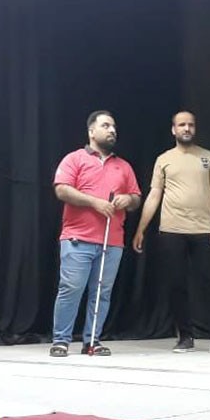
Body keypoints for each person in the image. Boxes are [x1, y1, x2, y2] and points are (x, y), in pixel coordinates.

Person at [132, 111, 210, 354]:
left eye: (190, 125)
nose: (187, 128)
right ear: (173, 129)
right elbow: (154, 195)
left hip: (203, 229)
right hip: (172, 229)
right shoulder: (164, 159)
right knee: (176, 284)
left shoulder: (207, 157)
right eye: (182, 124)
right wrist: (141, 229)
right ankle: (185, 337)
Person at [49, 110, 141, 357]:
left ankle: (92, 340)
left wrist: (127, 199)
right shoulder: (74, 159)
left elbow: (136, 198)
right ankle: (61, 340)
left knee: (102, 292)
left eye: (114, 127)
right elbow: (62, 190)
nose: (112, 130)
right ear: (91, 131)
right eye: (106, 125)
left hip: (112, 241)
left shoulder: (123, 166)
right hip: (78, 238)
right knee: (71, 289)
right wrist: (94, 202)